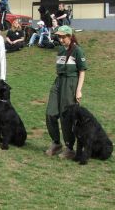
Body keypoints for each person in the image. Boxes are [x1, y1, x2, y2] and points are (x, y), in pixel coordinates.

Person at [45, 25, 87, 159]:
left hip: (71, 83)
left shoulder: (77, 51)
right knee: (50, 113)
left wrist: (78, 90)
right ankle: (56, 143)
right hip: (59, 82)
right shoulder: (60, 50)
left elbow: (82, 71)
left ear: (70, 36)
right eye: (59, 37)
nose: (61, 39)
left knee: (66, 116)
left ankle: (69, 148)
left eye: (63, 37)